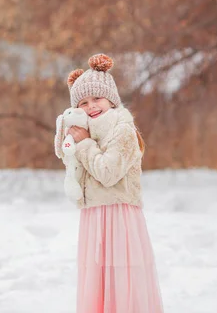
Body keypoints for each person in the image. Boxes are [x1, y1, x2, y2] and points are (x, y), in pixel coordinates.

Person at [54, 53, 164, 313]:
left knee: (121, 276)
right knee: (97, 278)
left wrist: (83, 145)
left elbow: (108, 172)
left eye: (97, 98)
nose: (91, 106)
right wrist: (69, 136)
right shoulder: (87, 130)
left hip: (118, 215)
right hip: (94, 215)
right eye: (83, 102)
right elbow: (67, 156)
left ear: (111, 99)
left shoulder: (122, 129)